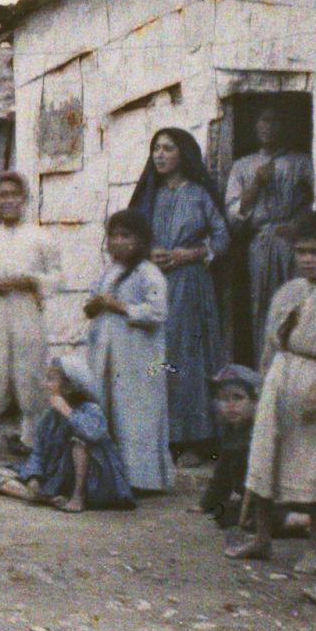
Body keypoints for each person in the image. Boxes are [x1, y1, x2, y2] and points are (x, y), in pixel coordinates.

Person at [228, 212, 316, 575]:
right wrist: (263, 384)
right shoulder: (288, 292)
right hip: (282, 375)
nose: (308, 259)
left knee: (314, 466)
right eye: (302, 251)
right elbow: (269, 344)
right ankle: (261, 538)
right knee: (265, 454)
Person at [128, 127, 231, 463]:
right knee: (155, 353)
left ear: (183, 155)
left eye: (168, 148)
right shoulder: (149, 195)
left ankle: (192, 439)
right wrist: (147, 252)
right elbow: (128, 236)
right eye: (155, 148)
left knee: (185, 355)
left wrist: (191, 254)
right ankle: (159, 436)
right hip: (153, 284)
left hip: (189, 285)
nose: (159, 155)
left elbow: (222, 239)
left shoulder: (199, 195)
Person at [0, 172, 60, 488]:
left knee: (31, 382)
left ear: (24, 199)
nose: (7, 200)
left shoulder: (40, 238)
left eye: (13, 195)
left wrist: (31, 281)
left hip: (27, 315)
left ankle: (35, 459)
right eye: (1, 195)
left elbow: (56, 276)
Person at [83, 208, 174, 495]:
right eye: (114, 235)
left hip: (138, 356)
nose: (118, 242)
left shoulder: (150, 273)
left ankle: (142, 479)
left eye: (126, 236)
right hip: (108, 354)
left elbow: (157, 313)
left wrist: (119, 306)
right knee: (109, 408)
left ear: (141, 241)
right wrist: (96, 304)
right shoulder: (109, 273)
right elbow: (90, 306)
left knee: (137, 413)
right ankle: (111, 474)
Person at [224, 105, 316, 362]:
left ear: (286, 127)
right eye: (264, 120)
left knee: (297, 305)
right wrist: (256, 184)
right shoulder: (243, 165)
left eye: (276, 121)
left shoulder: (301, 161)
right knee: (263, 307)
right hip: (261, 247)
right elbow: (233, 216)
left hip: (293, 246)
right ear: (255, 126)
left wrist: (300, 225)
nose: (269, 127)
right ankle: (265, 368)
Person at [0, 353, 135, 513]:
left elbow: (92, 433)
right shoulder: (49, 417)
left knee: (80, 440)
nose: (45, 384)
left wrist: (67, 411)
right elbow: (38, 452)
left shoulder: (91, 409)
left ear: (69, 387)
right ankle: (45, 498)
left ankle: (78, 497)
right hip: (59, 479)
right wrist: (34, 477)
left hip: (94, 483)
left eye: (50, 379)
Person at [198, 365, 261, 528]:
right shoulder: (231, 431)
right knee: (223, 514)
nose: (231, 405)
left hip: (271, 498)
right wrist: (207, 503)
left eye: (238, 398)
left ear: (254, 402)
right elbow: (222, 474)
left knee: (258, 519)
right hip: (249, 499)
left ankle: (299, 519)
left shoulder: (259, 432)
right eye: (224, 399)